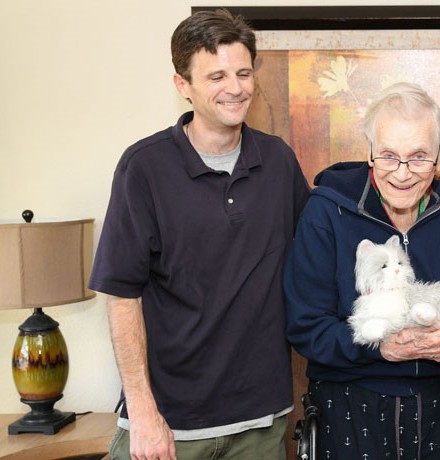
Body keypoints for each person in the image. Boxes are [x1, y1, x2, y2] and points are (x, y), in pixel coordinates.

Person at [88, 9, 309, 460]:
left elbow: (317, 256)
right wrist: (144, 413)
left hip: (261, 422)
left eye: (244, 72)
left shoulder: (279, 162)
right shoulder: (143, 168)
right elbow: (122, 296)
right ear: (182, 85)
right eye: (217, 76)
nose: (236, 88)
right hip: (169, 426)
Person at [284, 82, 440, 459]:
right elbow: (305, 326)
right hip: (350, 404)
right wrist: (382, 348)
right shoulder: (326, 212)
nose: (402, 174)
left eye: (418, 157)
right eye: (387, 156)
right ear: (369, 151)